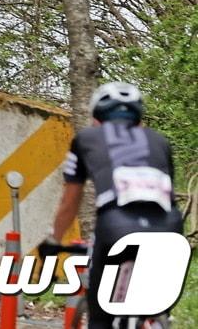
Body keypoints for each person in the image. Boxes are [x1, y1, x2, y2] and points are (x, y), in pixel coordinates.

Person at [47, 82, 182, 329]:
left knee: (101, 313)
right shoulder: (160, 141)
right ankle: (159, 319)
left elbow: (70, 202)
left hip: (117, 225)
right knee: (157, 302)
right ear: (139, 118)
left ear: (96, 117)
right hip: (170, 226)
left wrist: (54, 240)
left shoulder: (86, 138)